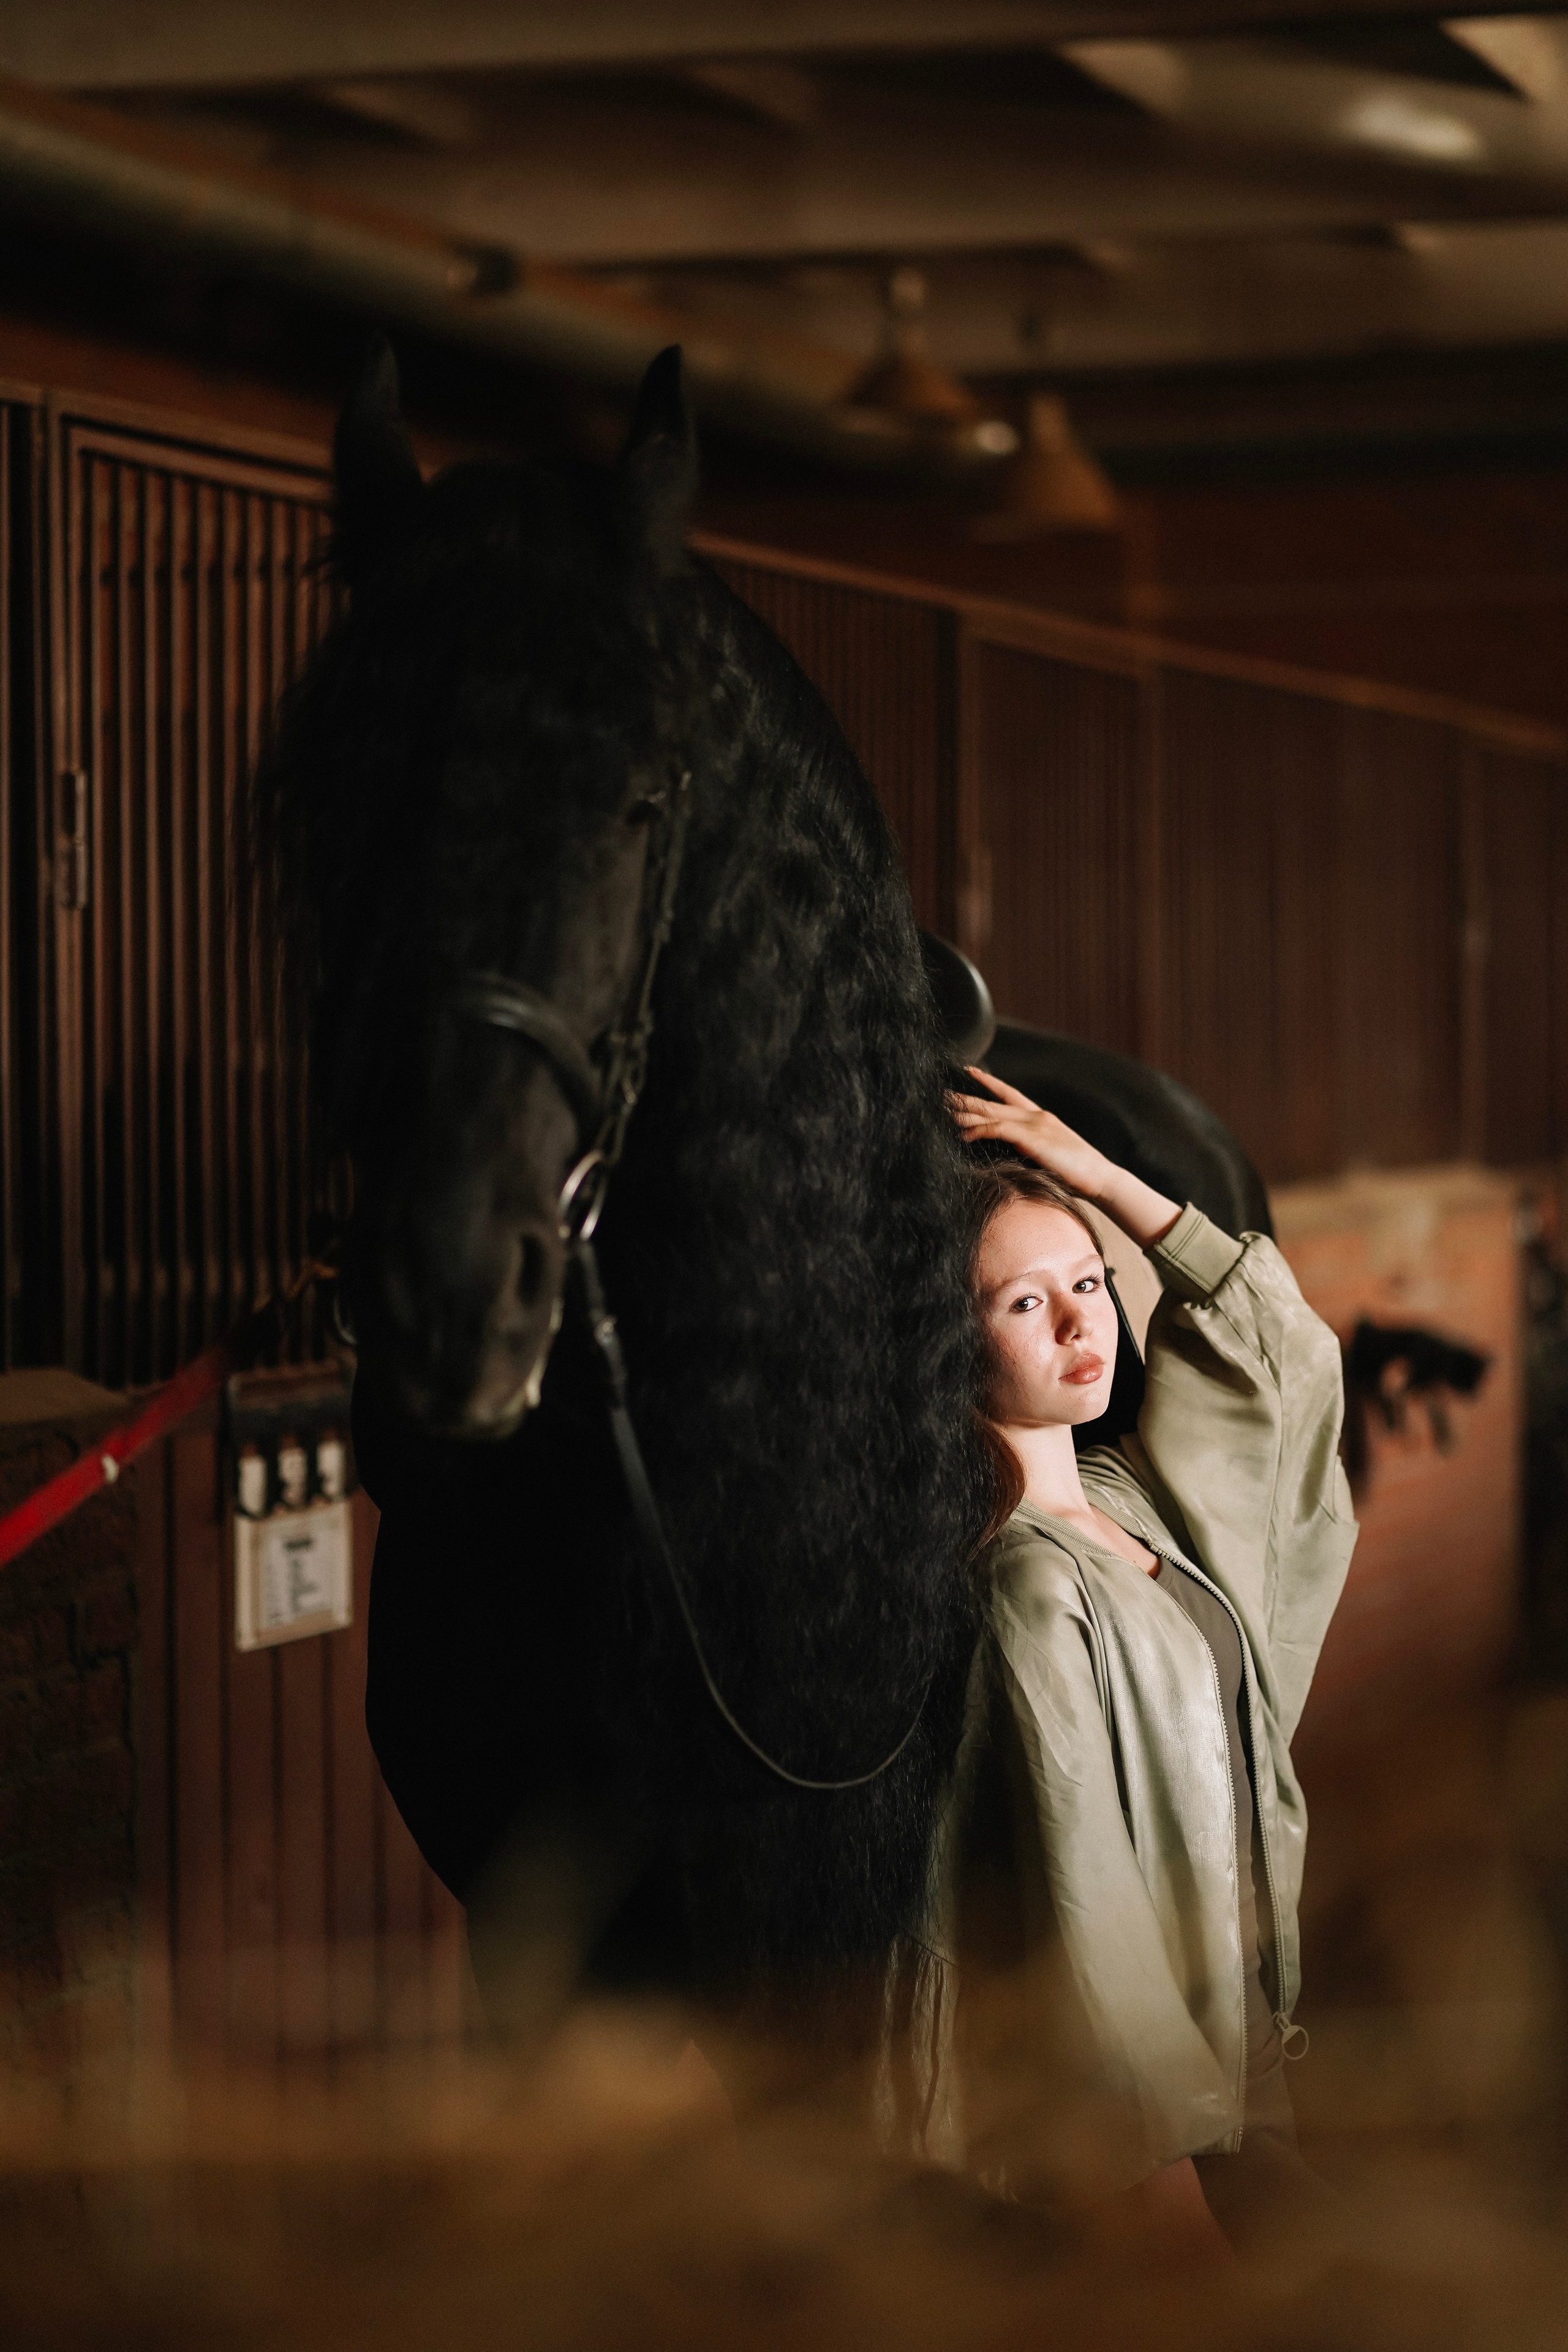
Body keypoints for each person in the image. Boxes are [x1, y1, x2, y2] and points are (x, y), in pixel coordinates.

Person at [889, 1068, 1356, 2250]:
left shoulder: (1129, 1502)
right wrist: (1158, 2185)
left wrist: (1098, 1177)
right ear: (953, 1340)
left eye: (1091, 1284)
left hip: (1246, 2042)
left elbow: (1281, 1367)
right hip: (1169, 2127)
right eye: (1024, 1303)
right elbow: (1085, 1914)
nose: (1082, 1321)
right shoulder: (1028, 1585)